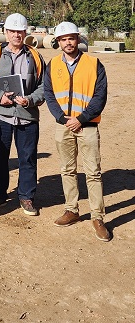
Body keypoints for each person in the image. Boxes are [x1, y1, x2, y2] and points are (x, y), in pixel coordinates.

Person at [43, 21, 111, 242]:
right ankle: (71, 210)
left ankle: (97, 217)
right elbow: (49, 94)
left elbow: (100, 97)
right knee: (67, 169)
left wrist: (81, 119)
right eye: (63, 39)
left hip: (88, 126)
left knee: (93, 172)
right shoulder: (52, 65)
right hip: (63, 126)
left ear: (78, 39)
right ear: (58, 42)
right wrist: (63, 119)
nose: (68, 42)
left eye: (71, 38)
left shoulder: (94, 64)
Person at [0, 13, 45, 216]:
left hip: (27, 115)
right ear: (6, 33)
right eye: (13, 31)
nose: (17, 34)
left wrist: (30, 100)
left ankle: (26, 197)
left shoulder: (35, 56)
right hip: (1, 115)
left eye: (20, 31)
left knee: (27, 157)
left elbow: (45, 86)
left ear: (25, 33)